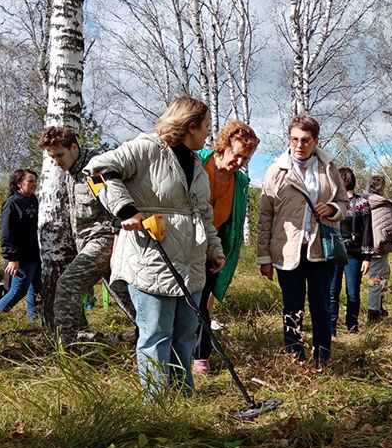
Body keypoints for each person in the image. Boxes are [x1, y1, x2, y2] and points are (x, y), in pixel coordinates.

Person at [84, 95, 225, 397]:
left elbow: (203, 213)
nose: (208, 134)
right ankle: (159, 404)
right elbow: (96, 171)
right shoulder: (147, 148)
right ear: (190, 126)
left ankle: (183, 398)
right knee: (156, 335)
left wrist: (214, 249)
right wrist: (125, 210)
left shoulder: (197, 164)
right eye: (206, 127)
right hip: (152, 258)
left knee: (185, 334)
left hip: (191, 262)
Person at [257, 114, 347, 368]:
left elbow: (343, 202)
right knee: (292, 306)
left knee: (321, 305)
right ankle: (295, 356)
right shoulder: (277, 171)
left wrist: (332, 209)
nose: (299, 145)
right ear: (289, 139)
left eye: (305, 140)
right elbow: (265, 216)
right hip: (287, 251)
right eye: (294, 139)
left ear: (315, 140)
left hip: (320, 250)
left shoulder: (328, 168)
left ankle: (322, 357)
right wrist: (263, 256)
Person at [38, 127, 135, 343]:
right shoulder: (71, 173)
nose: (56, 162)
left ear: (74, 147)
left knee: (67, 284)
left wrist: (119, 238)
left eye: (59, 155)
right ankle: (153, 332)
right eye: (52, 157)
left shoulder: (93, 170)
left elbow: (115, 202)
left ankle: (70, 343)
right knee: (122, 293)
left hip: (105, 239)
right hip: (90, 242)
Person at [193, 120, 260, 374]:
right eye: (237, 155)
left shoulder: (240, 182)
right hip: (185, 239)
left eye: (247, 158)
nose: (240, 163)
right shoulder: (197, 160)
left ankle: (200, 356)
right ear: (224, 145)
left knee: (203, 300)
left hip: (215, 244)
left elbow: (233, 221)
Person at [0, 169, 41, 324]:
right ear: (20, 183)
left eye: (35, 181)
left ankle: (34, 322)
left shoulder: (33, 199)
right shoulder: (12, 203)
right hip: (20, 257)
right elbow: (6, 233)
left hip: (36, 254)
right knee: (17, 292)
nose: (34, 184)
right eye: (30, 181)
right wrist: (12, 258)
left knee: (36, 289)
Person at [328, 167, 373, 335]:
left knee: (353, 292)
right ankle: (331, 328)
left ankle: (352, 325)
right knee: (332, 291)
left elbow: (368, 231)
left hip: (354, 254)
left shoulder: (362, 203)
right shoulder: (330, 203)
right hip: (332, 253)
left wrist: (367, 257)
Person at [365, 175, 392, 320]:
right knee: (379, 277)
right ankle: (374, 312)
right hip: (379, 246)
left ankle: (378, 306)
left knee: (379, 275)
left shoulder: (361, 201)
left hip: (363, 245)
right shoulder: (384, 204)